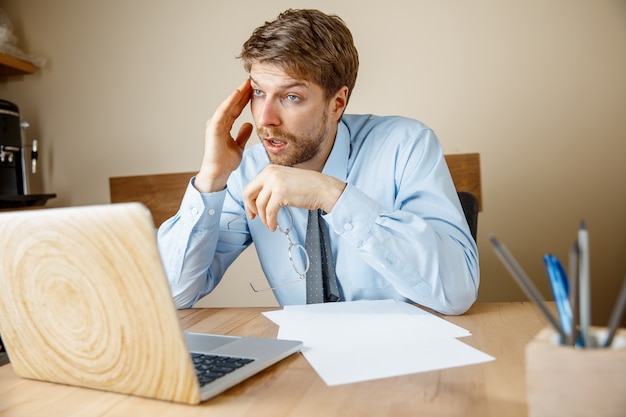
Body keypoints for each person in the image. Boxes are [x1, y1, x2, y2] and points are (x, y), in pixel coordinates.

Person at [157, 8, 479, 315]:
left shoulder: (406, 147)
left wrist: (331, 195)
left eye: (291, 97)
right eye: (258, 93)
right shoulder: (246, 171)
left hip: (408, 359)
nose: (265, 119)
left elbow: (458, 291)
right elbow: (174, 293)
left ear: (337, 103)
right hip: (304, 363)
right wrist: (211, 177)